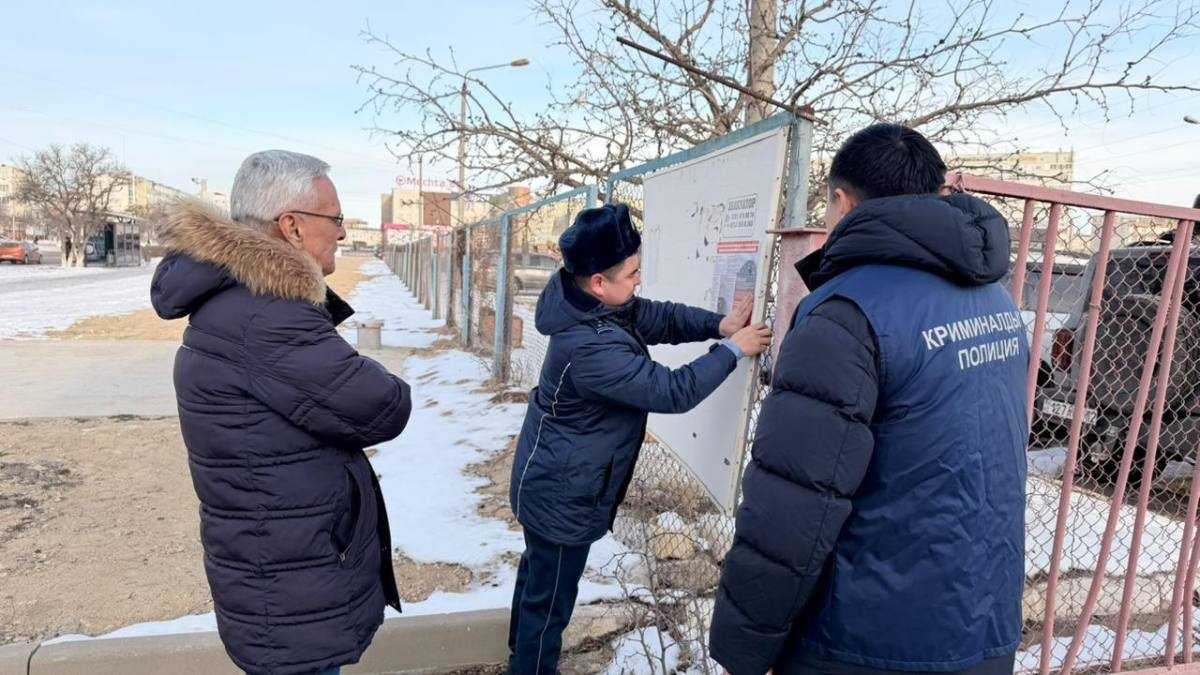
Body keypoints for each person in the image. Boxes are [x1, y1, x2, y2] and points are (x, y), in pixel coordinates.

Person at [709, 124, 1029, 675]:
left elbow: (794, 505)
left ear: (842, 200)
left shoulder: (845, 313)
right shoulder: (995, 298)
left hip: (865, 641)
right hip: (982, 624)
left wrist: (745, 646)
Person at [151, 150, 412, 675]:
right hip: (289, 582)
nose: (342, 232)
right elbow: (383, 406)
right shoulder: (267, 315)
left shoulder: (242, 300)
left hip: (278, 567)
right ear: (291, 227)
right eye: (335, 218)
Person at [507, 203, 772, 673]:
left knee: (538, 582)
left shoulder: (594, 306)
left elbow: (658, 317)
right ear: (598, 283)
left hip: (554, 477)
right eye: (631, 274)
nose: (638, 281)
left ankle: (521, 655)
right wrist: (732, 350)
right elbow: (672, 391)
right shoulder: (589, 347)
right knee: (548, 604)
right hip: (562, 492)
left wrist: (719, 324)